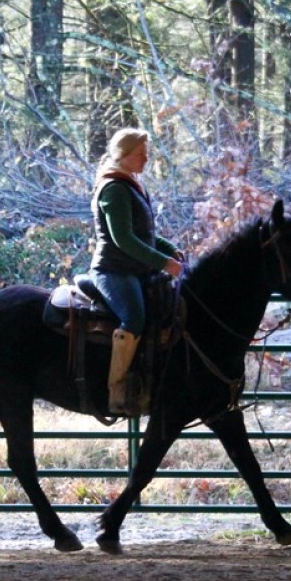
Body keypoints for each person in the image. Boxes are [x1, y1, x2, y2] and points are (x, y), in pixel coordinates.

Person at [89, 128, 184, 413]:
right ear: (124, 155)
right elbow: (124, 239)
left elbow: (145, 234)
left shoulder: (130, 184)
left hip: (135, 269)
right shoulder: (115, 188)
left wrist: (169, 249)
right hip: (113, 270)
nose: (146, 160)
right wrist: (164, 263)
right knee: (134, 317)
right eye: (141, 154)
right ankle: (117, 391)